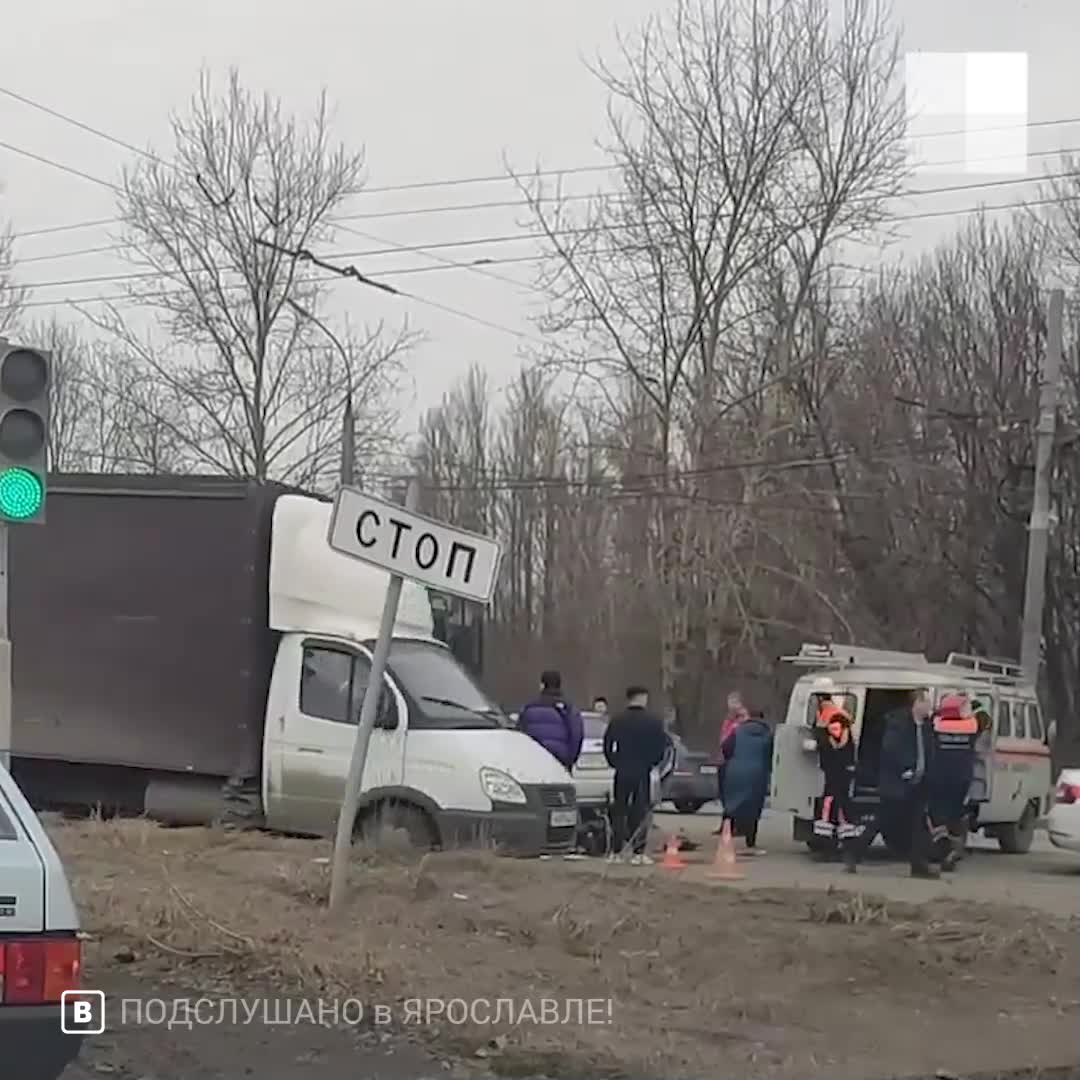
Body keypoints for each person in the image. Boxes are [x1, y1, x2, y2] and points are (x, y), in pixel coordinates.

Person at [602, 685, 668, 865]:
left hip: (622, 770)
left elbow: (607, 744)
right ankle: (638, 852)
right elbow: (661, 746)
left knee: (619, 810)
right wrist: (652, 763)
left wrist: (614, 761)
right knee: (640, 810)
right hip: (642, 771)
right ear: (643, 698)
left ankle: (616, 851)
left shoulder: (618, 720)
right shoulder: (653, 722)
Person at [878, 688, 937, 879]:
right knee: (883, 821)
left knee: (919, 826)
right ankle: (853, 853)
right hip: (899, 783)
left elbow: (930, 751)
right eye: (927, 702)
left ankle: (919, 866)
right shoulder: (898, 723)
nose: (930, 706)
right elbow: (891, 748)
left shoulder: (927, 726)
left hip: (919, 784)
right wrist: (905, 768)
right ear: (917, 703)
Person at [926, 693, 979, 872]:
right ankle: (954, 851)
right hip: (961, 780)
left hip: (939, 779)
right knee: (955, 818)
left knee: (938, 818)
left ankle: (943, 850)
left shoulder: (937, 725)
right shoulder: (972, 726)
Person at [812, 701, 863, 873]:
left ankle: (827, 851)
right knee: (845, 820)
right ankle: (851, 853)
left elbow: (822, 750)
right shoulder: (849, 741)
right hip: (843, 787)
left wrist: (818, 728)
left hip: (832, 786)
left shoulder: (827, 740)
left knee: (826, 819)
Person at [718, 708, 773, 855]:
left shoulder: (738, 731)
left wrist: (733, 760)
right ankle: (750, 841)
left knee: (732, 804)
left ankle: (726, 836)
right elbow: (771, 756)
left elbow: (725, 748)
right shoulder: (768, 735)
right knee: (754, 807)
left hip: (735, 771)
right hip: (757, 773)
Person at [516, 670, 584, 772]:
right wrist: (570, 759)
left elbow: (519, 736)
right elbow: (576, 735)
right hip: (560, 760)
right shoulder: (568, 708)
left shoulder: (529, 708)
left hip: (534, 760)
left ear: (542, 685)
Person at [713, 691, 750, 832]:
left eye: (734, 701)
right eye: (730, 701)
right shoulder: (728, 718)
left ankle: (734, 825)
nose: (731, 705)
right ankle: (726, 824)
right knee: (724, 794)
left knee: (732, 794)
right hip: (724, 759)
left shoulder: (742, 719)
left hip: (734, 760)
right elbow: (723, 737)